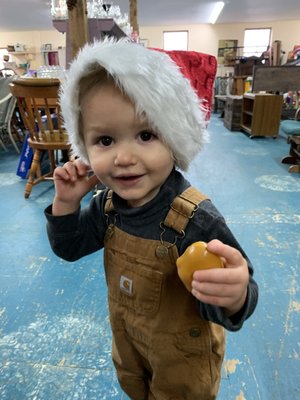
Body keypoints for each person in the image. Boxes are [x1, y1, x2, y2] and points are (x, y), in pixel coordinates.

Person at [45, 38, 258, 400]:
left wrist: (235, 295)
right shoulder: (107, 205)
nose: (124, 157)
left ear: (175, 139)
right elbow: (69, 247)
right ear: (84, 144)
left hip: (183, 365)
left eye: (146, 135)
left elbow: (231, 301)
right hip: (130, 348)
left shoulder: (196, 219)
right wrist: (66, 203)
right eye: (105, 140)